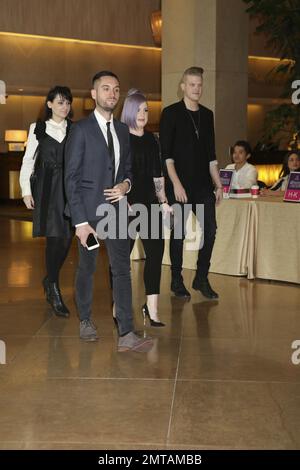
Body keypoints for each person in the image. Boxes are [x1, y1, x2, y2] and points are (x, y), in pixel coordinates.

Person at [64, 70, 153, 352]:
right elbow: (71, 178)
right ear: (93, 94)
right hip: (87, 215)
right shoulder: (80, 130)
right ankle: (86, 319)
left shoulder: (123, 131)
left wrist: (126, 185)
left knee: (122, 270)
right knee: (87, 268)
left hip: (115, 212)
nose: (112, 94)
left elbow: (127, 170)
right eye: (105, 89)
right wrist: (79, 223)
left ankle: (126, 332)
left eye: (116, 89)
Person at [159, 66, 223, 300]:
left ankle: (201, 278)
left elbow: (211, 156)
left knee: (211, 230)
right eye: (192, 84)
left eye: (199, 84)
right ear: (183, 86)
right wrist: (175, 185)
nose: (196, 88)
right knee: (179, 234)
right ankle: (177, 279)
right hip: (179, 184)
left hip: (203, 186)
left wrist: (218, 184)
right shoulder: (171, 113)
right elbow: (166, 155)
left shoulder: (207, 115)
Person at [119, 88, 172, 327]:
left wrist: (164, 202)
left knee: (155, 256)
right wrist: (123, 201)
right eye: (138, 109)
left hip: (150, 205)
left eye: (146, 110)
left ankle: (151, 309)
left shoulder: (152, 139)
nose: (143, 114)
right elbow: (113, 174)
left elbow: (157, 174)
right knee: (120, 261)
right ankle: (118, 309)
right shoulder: (119, 136)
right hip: (125, 206)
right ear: (129, 111)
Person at [19, 86, 73, 317]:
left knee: (68, 239)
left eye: (67, 102)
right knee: (54, 238)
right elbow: (28, 161)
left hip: (69, 189)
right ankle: (54, 288)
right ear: (49, 104)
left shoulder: (75, 128)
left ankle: (49, 278)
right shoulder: (38, 128)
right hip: (48, 189)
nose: (65, 106)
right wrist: (25, 191)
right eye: (60, 102)